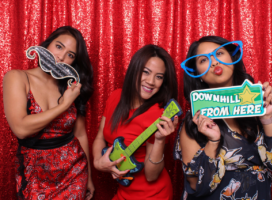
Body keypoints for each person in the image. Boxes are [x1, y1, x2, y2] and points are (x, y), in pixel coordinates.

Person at [174, 36, 272, 200]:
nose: (214, 62)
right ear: (198, 74)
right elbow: (194, 184)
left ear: (233, 59)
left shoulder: (266, 100)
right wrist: (213, 142)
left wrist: (268, 119)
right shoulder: (195, 121)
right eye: (204, 60)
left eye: (219, 53)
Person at [3, 26, 95, 199]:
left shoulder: (70, 87)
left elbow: (81, 134)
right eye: (59, 46)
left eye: (70, 55)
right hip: (35, 176)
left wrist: (89, 177)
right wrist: (64, 105)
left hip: (74, 173)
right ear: (46, 45)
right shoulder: (17, 78)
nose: (60, 56)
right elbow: (21, 129)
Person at [93, 44, 178, 200]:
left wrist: (160, 140)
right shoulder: (115, 96)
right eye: (146, 72)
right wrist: (99, 163)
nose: (151, 81)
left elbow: (152, 176)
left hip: (152, 195)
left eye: (159, 77)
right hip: (123, 191)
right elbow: (100, 136)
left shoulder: (158, 114)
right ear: (134, 70)